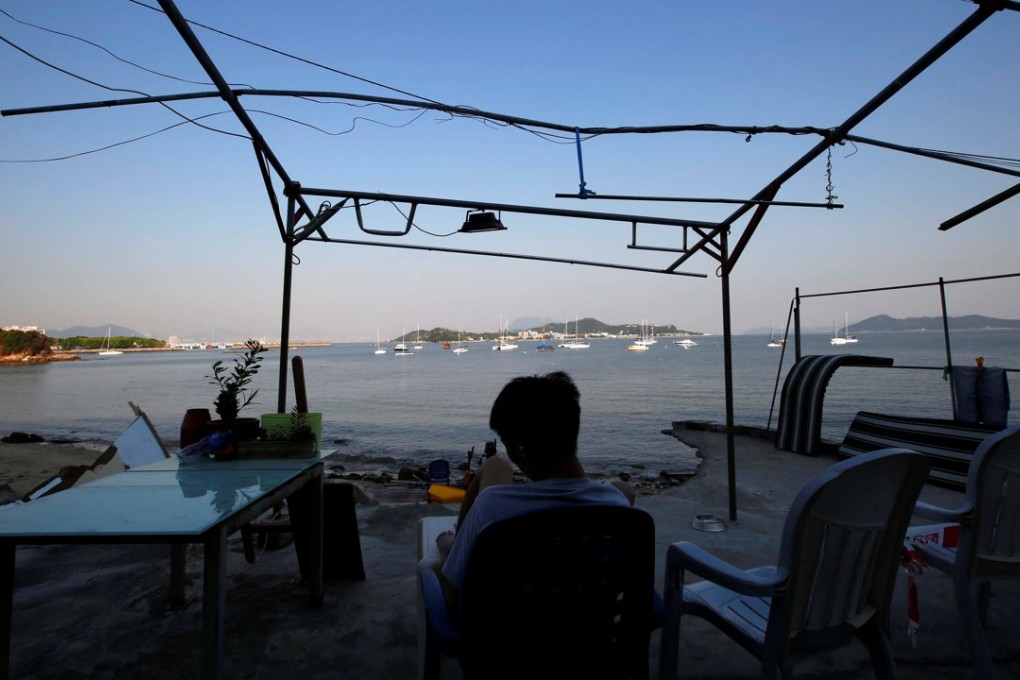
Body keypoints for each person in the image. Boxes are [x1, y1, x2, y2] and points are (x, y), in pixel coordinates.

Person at [437, 370, 635, 595]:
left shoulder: (492, 508)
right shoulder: (617, 507)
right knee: (622, 488)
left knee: (496, 464)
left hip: (509, 617)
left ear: (520, 447)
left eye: (507, 444)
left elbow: (454, 593)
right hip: (589, 615)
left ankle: (455, 547)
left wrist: (448, 555)